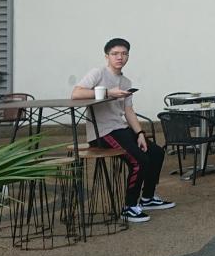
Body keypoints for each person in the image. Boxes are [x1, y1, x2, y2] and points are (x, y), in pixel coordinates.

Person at [71, 37, 174, 223]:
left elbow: (128, 111)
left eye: (124, 54)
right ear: (107, 56)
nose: (120, 57)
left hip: (121, 128)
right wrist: (108, 92)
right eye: (115, 54)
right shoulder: (98, 73)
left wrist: (140, 134)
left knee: (156, 153)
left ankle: (148, 198)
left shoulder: (126, 82)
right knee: (139, 160)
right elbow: (76, 93)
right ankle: (129, 207)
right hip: (102, 133)